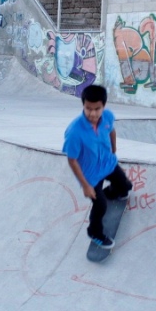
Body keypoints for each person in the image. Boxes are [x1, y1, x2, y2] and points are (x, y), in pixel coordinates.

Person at [63, 85, 133, 250]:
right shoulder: (74, 132)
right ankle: (94, 232)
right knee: (100, 205)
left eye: (97, 109)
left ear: (104, 106)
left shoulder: (107, 117)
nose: (92, 114)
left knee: (125, 188)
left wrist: (114, 152)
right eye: (88, 109)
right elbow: (72, 160)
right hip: (90, 175)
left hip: (107, 163)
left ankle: (110, 192)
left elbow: (112, 131)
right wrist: (86, 186)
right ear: (83, 106)